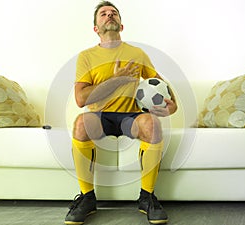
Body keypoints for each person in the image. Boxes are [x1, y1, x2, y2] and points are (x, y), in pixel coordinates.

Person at [64, 1, 177, 224]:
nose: (109, 15)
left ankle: (147, 198)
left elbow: (160, 84)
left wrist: (173, 105)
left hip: (130, 118)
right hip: (100, 117)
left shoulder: (137, 53)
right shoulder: (86, 57)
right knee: (80, 123)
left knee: (152, 124)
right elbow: (81, 99)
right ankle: (87, 198)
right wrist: (116, 79)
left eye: (113, 13)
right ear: (96, 28)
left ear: (121, 25)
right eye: (104, 14)